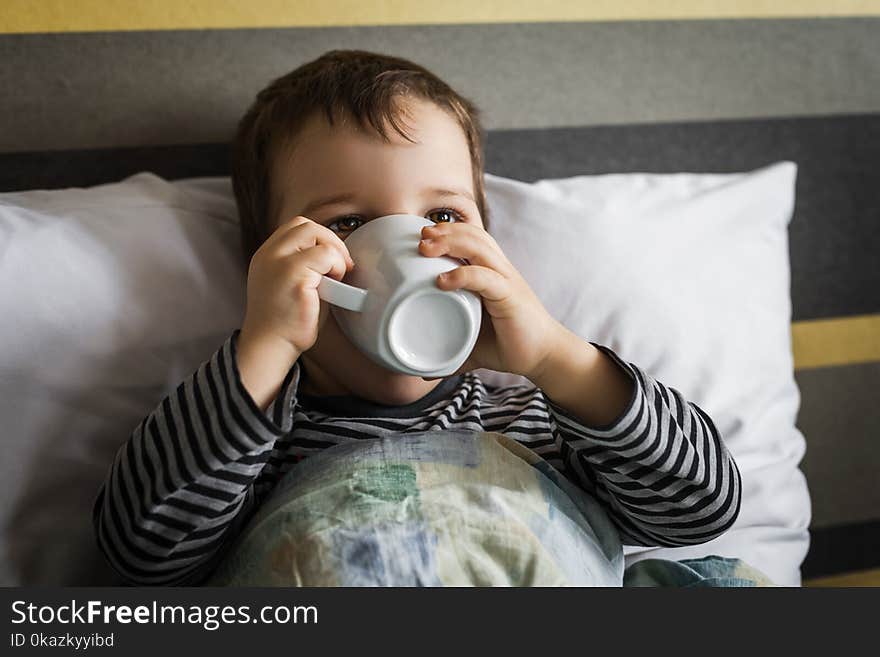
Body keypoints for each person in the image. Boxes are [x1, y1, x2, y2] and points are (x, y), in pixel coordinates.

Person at [92, 50, 741, 586]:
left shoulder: (527, 417)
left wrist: (556, 358)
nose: (414, 246)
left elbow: (702, 506)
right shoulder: (249, 444)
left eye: (445, 216)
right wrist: (261, 352)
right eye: (347, 223)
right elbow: (140, 553)